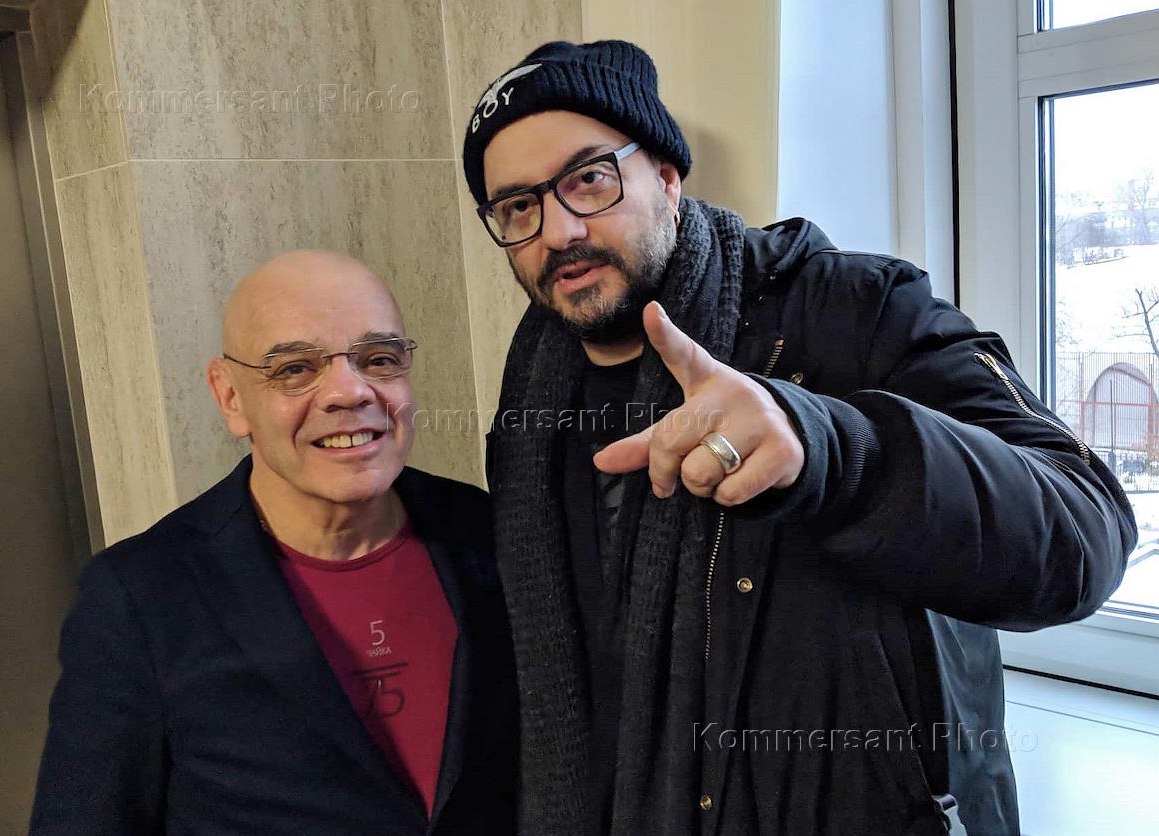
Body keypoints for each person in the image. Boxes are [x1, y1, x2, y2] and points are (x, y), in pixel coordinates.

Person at [462, 40, 1136, 836]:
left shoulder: (857, 309)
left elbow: (1083, 535)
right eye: (518, 207)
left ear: (667, 178)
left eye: (588, 178)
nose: (559, 230)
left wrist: (835, 452)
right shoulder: (532, 390)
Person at [30, 251, 517, 835]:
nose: (349, 392)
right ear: (230, 398)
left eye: (379, 359)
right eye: (295, 369)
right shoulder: (139, 599)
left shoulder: (488, 533)